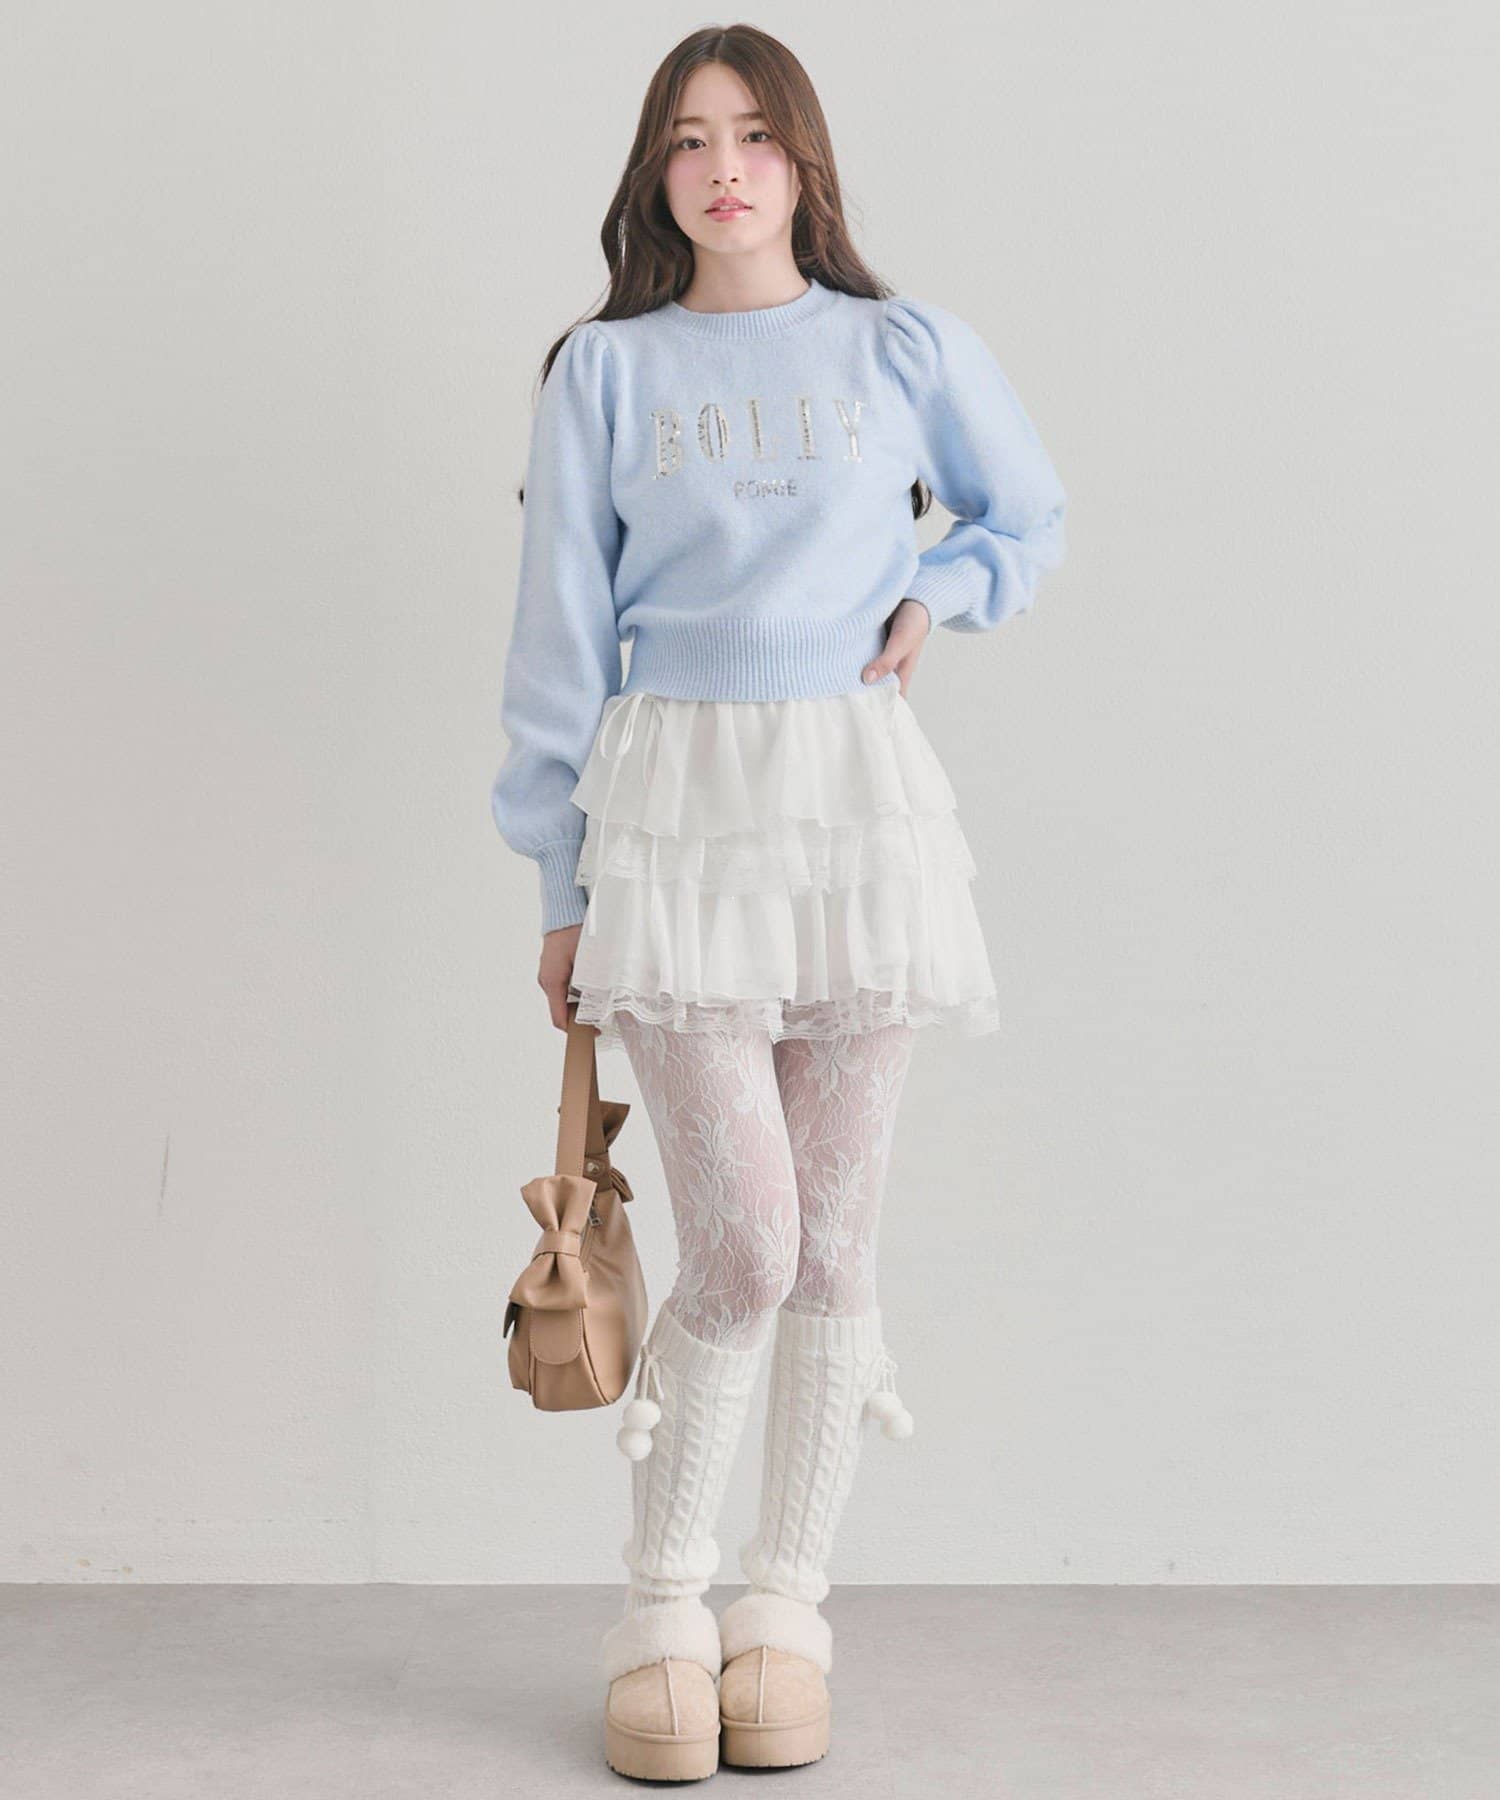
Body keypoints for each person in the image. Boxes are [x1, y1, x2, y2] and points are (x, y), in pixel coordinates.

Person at [491, 24, 1066, 1782]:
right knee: (741, 1238)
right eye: (689, 138)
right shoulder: (604, 371)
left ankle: (783, 1614)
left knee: (830, 1247)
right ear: (655, 172)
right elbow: (557, 643)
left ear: (804, 163)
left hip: (856, 812)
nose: (722, 167)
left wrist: (942, 592)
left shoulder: (904, 347)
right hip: (675, 814)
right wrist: (560, 878)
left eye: (753, 134)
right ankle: (663, 1605)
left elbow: (1028, 515)